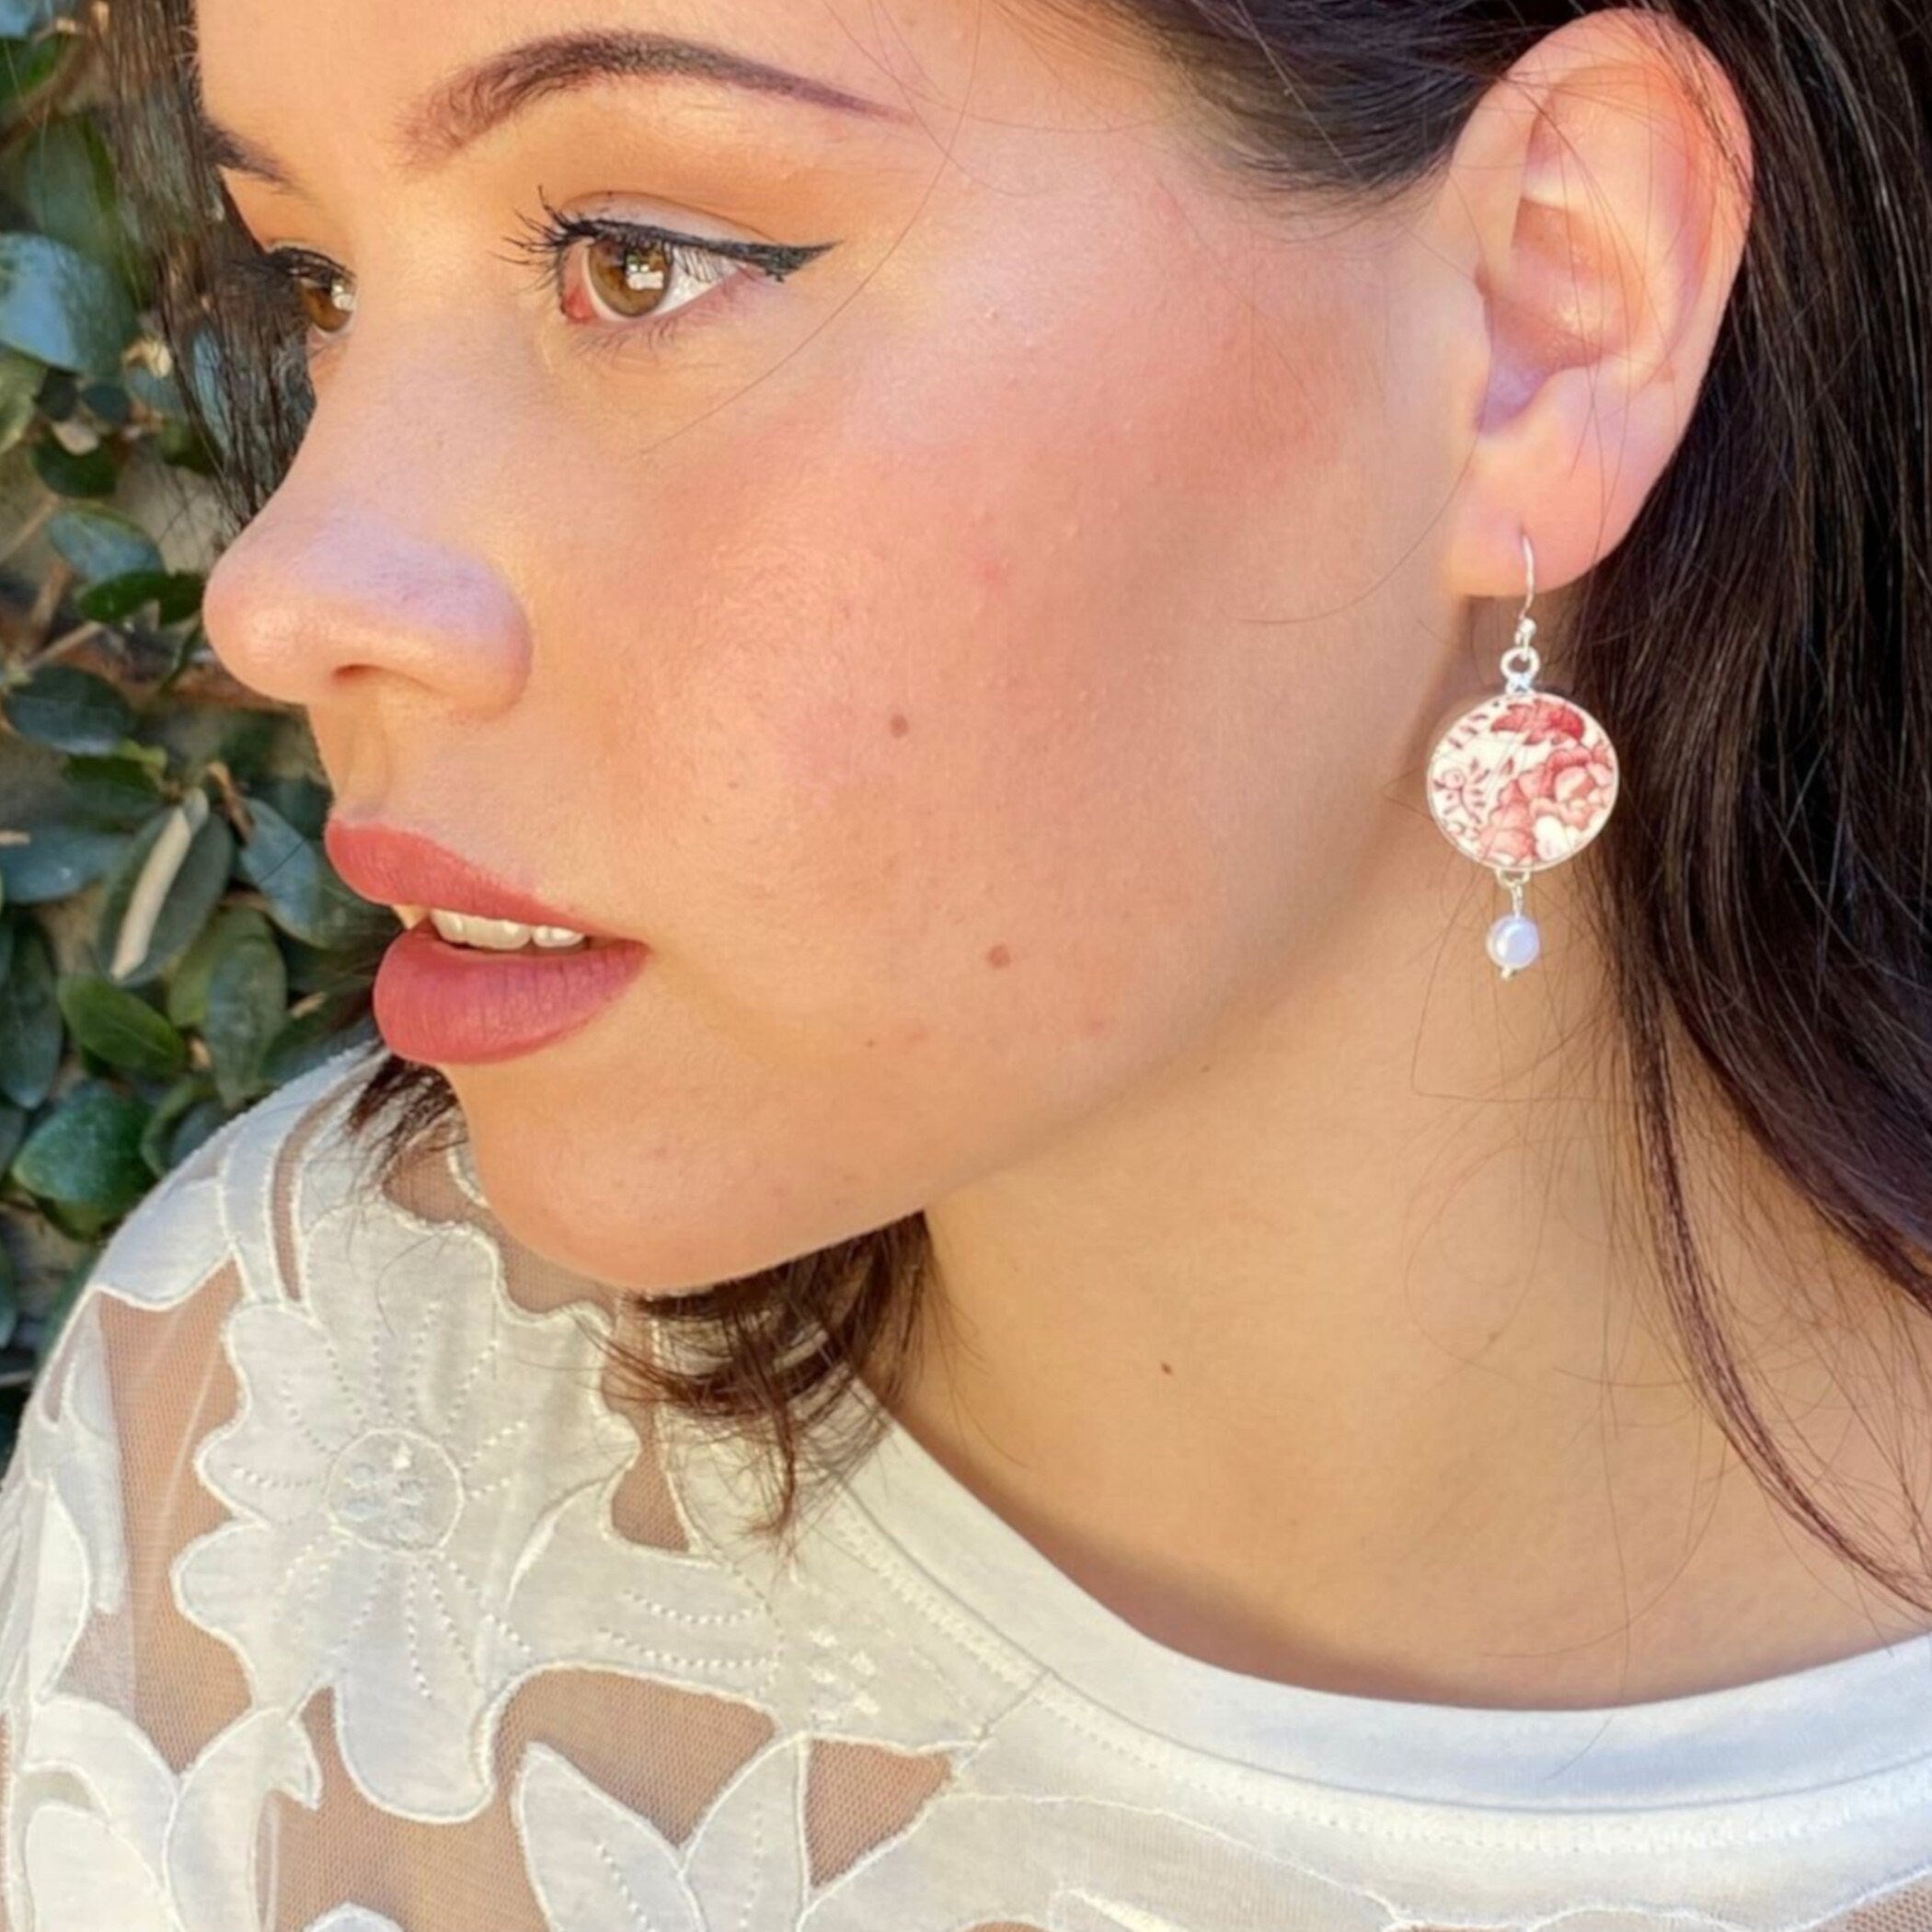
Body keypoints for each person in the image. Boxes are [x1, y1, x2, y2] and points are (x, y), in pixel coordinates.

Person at [3, 0, 1931, 1924]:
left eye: (636, 259)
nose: (280, 593)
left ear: (1550, 308)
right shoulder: (278, 1427)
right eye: (318, 280)